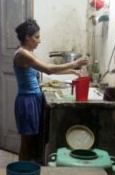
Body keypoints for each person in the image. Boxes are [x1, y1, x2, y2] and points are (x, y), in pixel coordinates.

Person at [13, 19, 88, 161]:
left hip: (33, 99)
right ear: (27, 37)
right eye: (37, 37)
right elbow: (48, 69)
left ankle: (29, 169)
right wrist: (75, 63)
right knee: (26, 142)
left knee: (32, 140)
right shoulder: (23, 54)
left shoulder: (28, 52)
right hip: (27, 101)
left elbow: (46, 68)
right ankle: (21, 173)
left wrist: (72, 70)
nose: (39, 41)